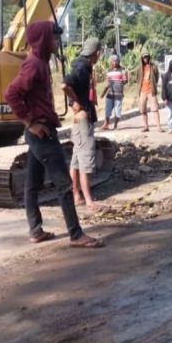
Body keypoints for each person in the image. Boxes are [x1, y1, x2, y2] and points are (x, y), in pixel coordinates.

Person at [4, 21, 103, 248]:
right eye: (54, 38)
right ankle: (76, 235)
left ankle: (36, 230)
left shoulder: (40, 62)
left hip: (41, 130)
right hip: (42, 132)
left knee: (32, 183)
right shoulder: (34, 65)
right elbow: (11, 93)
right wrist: (30, 122)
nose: (57, 43)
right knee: (64, 184)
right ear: (42, 41)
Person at [62, 37, 106, 212]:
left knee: (76, 162)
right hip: (82, 121)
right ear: (96, 53)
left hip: (79, 122)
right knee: (86, 161)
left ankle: (77, 196)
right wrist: (75, 102)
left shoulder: (81, 65)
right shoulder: (82, 68)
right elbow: (64, 84)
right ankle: (89, 201)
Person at [136, 52, 162, 132]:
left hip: (151, 91)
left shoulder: (153, 66)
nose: (146, 59)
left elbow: (156, 77)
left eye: (147, 57)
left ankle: (158, 126)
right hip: (142, 91)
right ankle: (146, 126)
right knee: (143, 109)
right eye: (144, 57)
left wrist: (153, 85)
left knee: (155, 109)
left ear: (149, 57)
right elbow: (138, 78)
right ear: (142, 59)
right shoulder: (139, 68)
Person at [101, 54, 128, 130]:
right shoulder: (109, 71)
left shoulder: (122, 70)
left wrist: (119, 82)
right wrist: (103, 92)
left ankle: (115, 126)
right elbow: (107, 82)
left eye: (116, 60)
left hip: (118, 93)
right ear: (111, 62)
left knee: (117, 110)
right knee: (108, 109)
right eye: (113, 61)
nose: (115, 62)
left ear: (118, 61)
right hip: (110, 93)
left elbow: (125, 80)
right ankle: (106, 124)